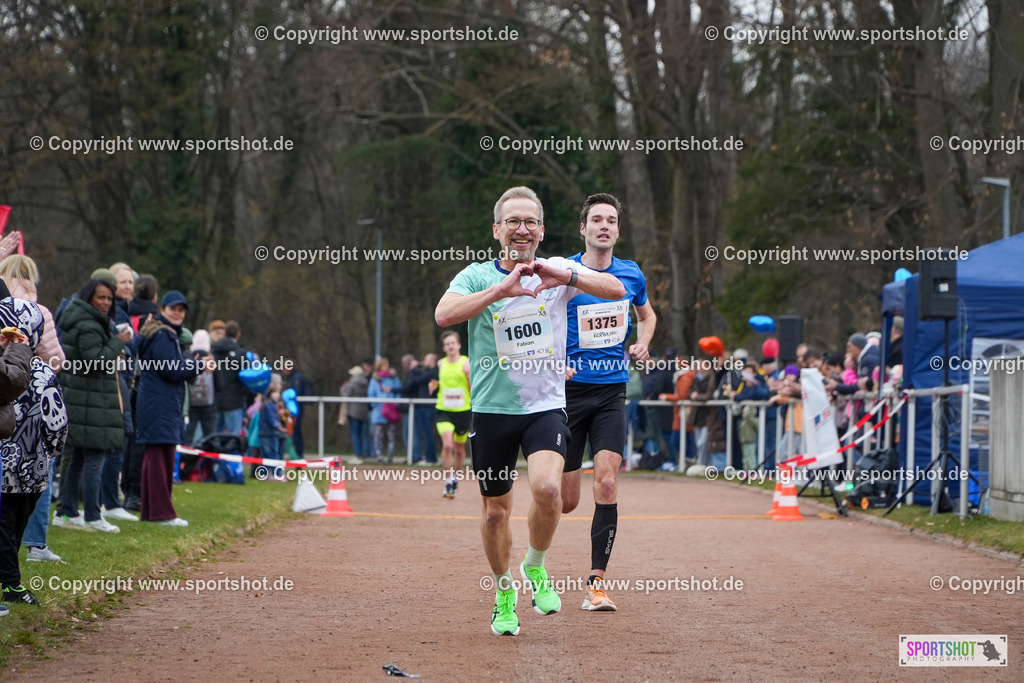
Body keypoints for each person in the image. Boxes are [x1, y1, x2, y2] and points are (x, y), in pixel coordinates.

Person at [434, 186, 625, 636]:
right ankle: (504, 591)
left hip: (545, 407)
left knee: (547, 489)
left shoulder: (558, 270)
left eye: (530, 222)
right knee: (496, 513)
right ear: (497, 229)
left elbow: (615, 289)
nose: (522, 229)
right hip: (493, 410)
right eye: (513, 221)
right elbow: (444, 314)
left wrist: (568, 279)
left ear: (541, 230)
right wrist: (502, 289)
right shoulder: (478, 275)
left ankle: (534, 565)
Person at [561, 192, 656, 612]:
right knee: (563, 500)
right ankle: (536, 564)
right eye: (596, 219)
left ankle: (596, 583)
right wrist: (550, 360)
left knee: (607, 481)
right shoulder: (563, 272)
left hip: (610, 391)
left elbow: (647, 316)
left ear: (617, 230)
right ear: (583, 229)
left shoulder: (631, 274)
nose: (604, 226)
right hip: (565, 393)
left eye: (611, 221)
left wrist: (643, 342)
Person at [0, 298, 66, 606]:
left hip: (7, 464)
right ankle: (11, 584)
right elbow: (57, 422)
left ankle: (8, 580)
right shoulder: (41, 372)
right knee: (13, 526)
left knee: (6, 527)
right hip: (31, 467)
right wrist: (51, 452)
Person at [56, 278, 130, 533]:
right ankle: (93, 516)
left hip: (84, 400)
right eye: (101, 297)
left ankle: (67, 512)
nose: (106, 303)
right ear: (89, 298)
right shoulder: (88, 324)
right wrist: (119, 341)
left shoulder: (82, 319)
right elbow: (95, 361)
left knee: (77, 457)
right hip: (89, 401)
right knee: (94, 458)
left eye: (110, 299)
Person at [135, 291, 206, 526]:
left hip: (157, 403)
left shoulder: (161, 332)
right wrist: (198, 365)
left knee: (157, 457)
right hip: (159, 404)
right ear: (163, 309)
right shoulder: (163, 335)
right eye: (173, 308)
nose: (178, 313)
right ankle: (161, 513)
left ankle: (152, 512)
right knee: (159, 459)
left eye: (181, 309)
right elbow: (172, 370)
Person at [432, 330, 471, 498]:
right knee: (447, 445)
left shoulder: (466, 362)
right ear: (444, 348)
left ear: (459, 345)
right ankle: (448, 479)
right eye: (447, 344)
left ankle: (456, 476)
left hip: (462, 410)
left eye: (452, 343)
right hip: (444, 409)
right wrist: (435, 384)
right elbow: (445, 381)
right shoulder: (441, 364)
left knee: (460, 449)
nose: (450, 346)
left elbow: (472, 388)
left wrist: (469, 376)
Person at [399, 354, 437, 465]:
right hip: (424, 407)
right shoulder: (428, 372)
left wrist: (414, 368)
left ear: (431, 361)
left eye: (425, 359)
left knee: (427, 433)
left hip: (427, 407)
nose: (423, 361)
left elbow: (415, 381)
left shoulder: (432, 373)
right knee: (426, 433)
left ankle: (431, 459)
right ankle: (430, 458)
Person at [212, 321, 249, 436]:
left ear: (224, 333)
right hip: (234, 401)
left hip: (215, 399)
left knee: (214, 437)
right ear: (238, 334)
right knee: (234, 437)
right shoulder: (241, 354)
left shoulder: (214, 351)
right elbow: (247, 377)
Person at [368, 358, 401, 463]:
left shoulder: (394, 378)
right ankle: (379, 455)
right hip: (379, 411)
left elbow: (398, 392)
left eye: (387, 365)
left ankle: (390, 455)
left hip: (391, 410)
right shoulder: (375, 379)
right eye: (383, 365)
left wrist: (396, 403)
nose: (386, 367)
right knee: (378, 434)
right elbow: (371, 394)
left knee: (392, 434)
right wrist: (376, 404)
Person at [340, 366, 370, 461]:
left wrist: (343, 388)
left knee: (355, 434)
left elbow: (345, 395)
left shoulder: (352, 384)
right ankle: (365, 453)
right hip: (364, 411)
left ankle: (358, 454)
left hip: (353, 412)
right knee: (363, 434)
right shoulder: (366, 383)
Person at [282, 362, 312, 456]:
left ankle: (298, 454)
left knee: (295, 432)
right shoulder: (292, 378)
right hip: (295, 409)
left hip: (295, 410)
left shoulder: (296, 378)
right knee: (294, 431)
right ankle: (296, 454)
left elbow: (295, 394)